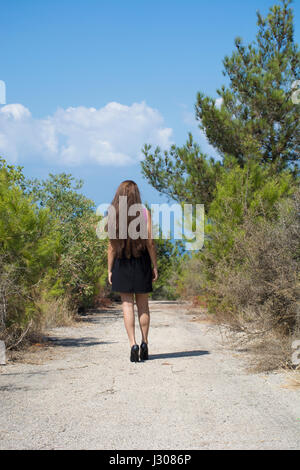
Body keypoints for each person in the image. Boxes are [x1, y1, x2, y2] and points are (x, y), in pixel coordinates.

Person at [107, 180, 158, 362]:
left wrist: (110, 269)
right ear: (136, 194)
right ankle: (145, 342)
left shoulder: (114, 214)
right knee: (143, 305)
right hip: (142, 261)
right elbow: (150, 243)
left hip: (122, 262)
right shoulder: (144, 213)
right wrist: (154, 266)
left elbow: (111, 247)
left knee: (127, 305)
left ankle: (133, 344)